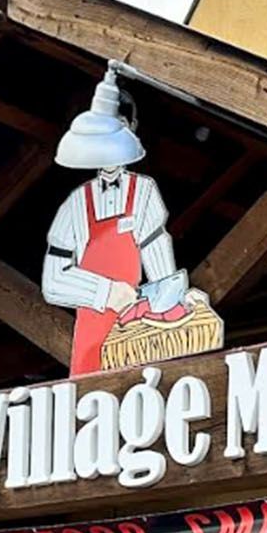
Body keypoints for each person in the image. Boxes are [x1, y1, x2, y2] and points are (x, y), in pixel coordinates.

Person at [44, 62, 194, 377]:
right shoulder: (75, 204)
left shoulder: (144, 192)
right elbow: (54, 281)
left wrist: (174, 301)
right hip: (92, 328)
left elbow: (158, 258)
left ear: (130, 128)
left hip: (137, 324)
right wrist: (107, 292)